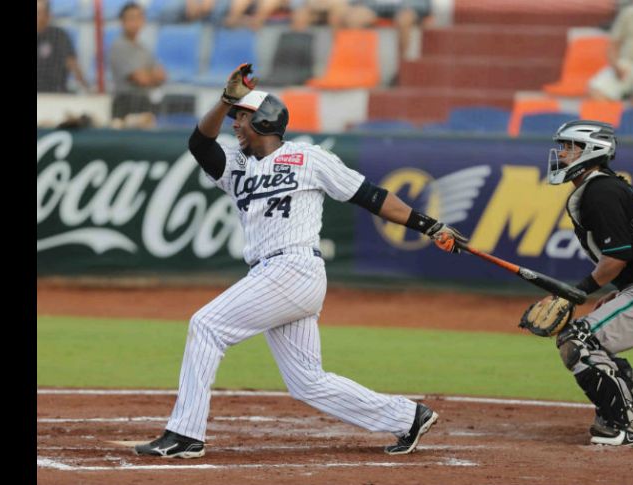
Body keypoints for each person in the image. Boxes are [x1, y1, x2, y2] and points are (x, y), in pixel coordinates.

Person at [134, 63, 466, 458]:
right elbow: (199, 145)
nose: (235, 125)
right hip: (274, 274)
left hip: (294, 267)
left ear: (264, 120)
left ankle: (186, 434)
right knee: (307, 381)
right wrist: (226, 101)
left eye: (242, 117)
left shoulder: (308, 157)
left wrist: (428, 225)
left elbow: (372, 197)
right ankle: (407, 417)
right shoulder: (237, 167)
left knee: (206, 326)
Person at [543, 119, 633, 446]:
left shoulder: (600, 190)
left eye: (568, 146)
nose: (560, 153)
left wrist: (575, 293)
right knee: (593, 339)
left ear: (590, 151)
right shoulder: (602, 186)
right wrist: (619, 293)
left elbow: (617, 255)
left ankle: (629, 424)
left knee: (579, 341)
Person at [109, 2, 167, 123]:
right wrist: (151, 75)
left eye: (139, 17)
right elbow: (140, 78)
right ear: (122, 21)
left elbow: (161, 76)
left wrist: (149, 76)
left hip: (144, 102)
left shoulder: (144, 48)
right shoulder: (118, 46)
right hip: (125, 104)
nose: (135, 22)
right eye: (131, 18)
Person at [336, 0, 431, 63]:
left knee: (405, 18)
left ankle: (402, 66)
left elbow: (425, 6)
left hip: (406, 9)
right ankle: (352, 65)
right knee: (353, 18)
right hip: (375, 8)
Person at [37, 0, 89, 93]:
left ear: (47, 16)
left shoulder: (58, 35)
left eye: (38, 13)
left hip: (55, 93)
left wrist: (86, 86)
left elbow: (71, 62)